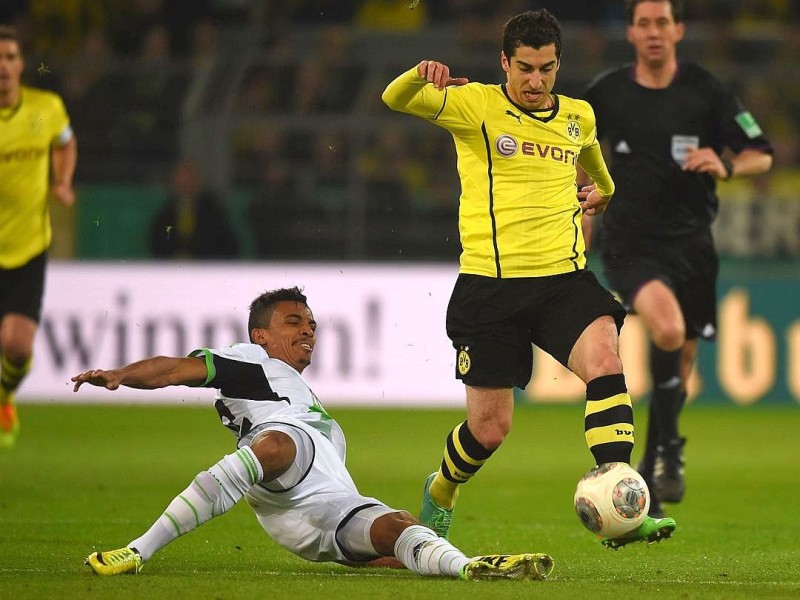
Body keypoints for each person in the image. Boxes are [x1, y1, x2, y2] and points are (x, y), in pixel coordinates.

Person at [381, 9, 675, 549]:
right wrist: (417, 76)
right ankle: (442, 489)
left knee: (607, 360)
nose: (535, 81)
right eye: (524, 69)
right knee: (490, 428)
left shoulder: (578, 115)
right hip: (490, 286)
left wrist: (604, 190)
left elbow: (591, 156)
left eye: (546, 68)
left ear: (558, 64)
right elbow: (393, 100)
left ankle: (621, 503)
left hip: (562, 279)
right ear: (504, 63)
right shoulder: (475, 106)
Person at [71, 287, 554, 581]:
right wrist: (118, 375)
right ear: (260, 335)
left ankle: (470, 567)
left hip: (318, 511)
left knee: (398, 530)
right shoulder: (250, 359)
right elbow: (174, 369)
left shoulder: (304, 399)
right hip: (279, 472)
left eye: (313, 324)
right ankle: (138, 550)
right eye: (293, 322)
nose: (309, 332)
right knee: (283, 441)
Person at [582, 0, 773, 517]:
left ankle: (651, 470)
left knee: (683, 358)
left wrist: (726, 163)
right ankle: (667, 453)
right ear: (631, 32)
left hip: (692, 246)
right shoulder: (606, 93)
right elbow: (568, 146)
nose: (653, 32)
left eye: (662, 22)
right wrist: (583, 203)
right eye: (643, 23)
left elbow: (762, 151)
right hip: (629, 242)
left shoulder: (706, 90)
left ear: (679, 30)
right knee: (666, 330)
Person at [0, 25, 78, 447]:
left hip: (28, 244)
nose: (4, 66)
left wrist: (62, 180)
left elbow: (65, 143)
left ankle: (5, 396)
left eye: (11, 57)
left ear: (21, 64)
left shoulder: (46, 108)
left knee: (15, 345)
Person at [148, 159, 239, 259]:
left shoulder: (212, 210)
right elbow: (159, 241)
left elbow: (225, 242)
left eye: (190, 180)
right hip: (173, 268)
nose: (186, 186)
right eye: (182, 182)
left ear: (197, 181)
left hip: (206, 267)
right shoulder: (166, 213)